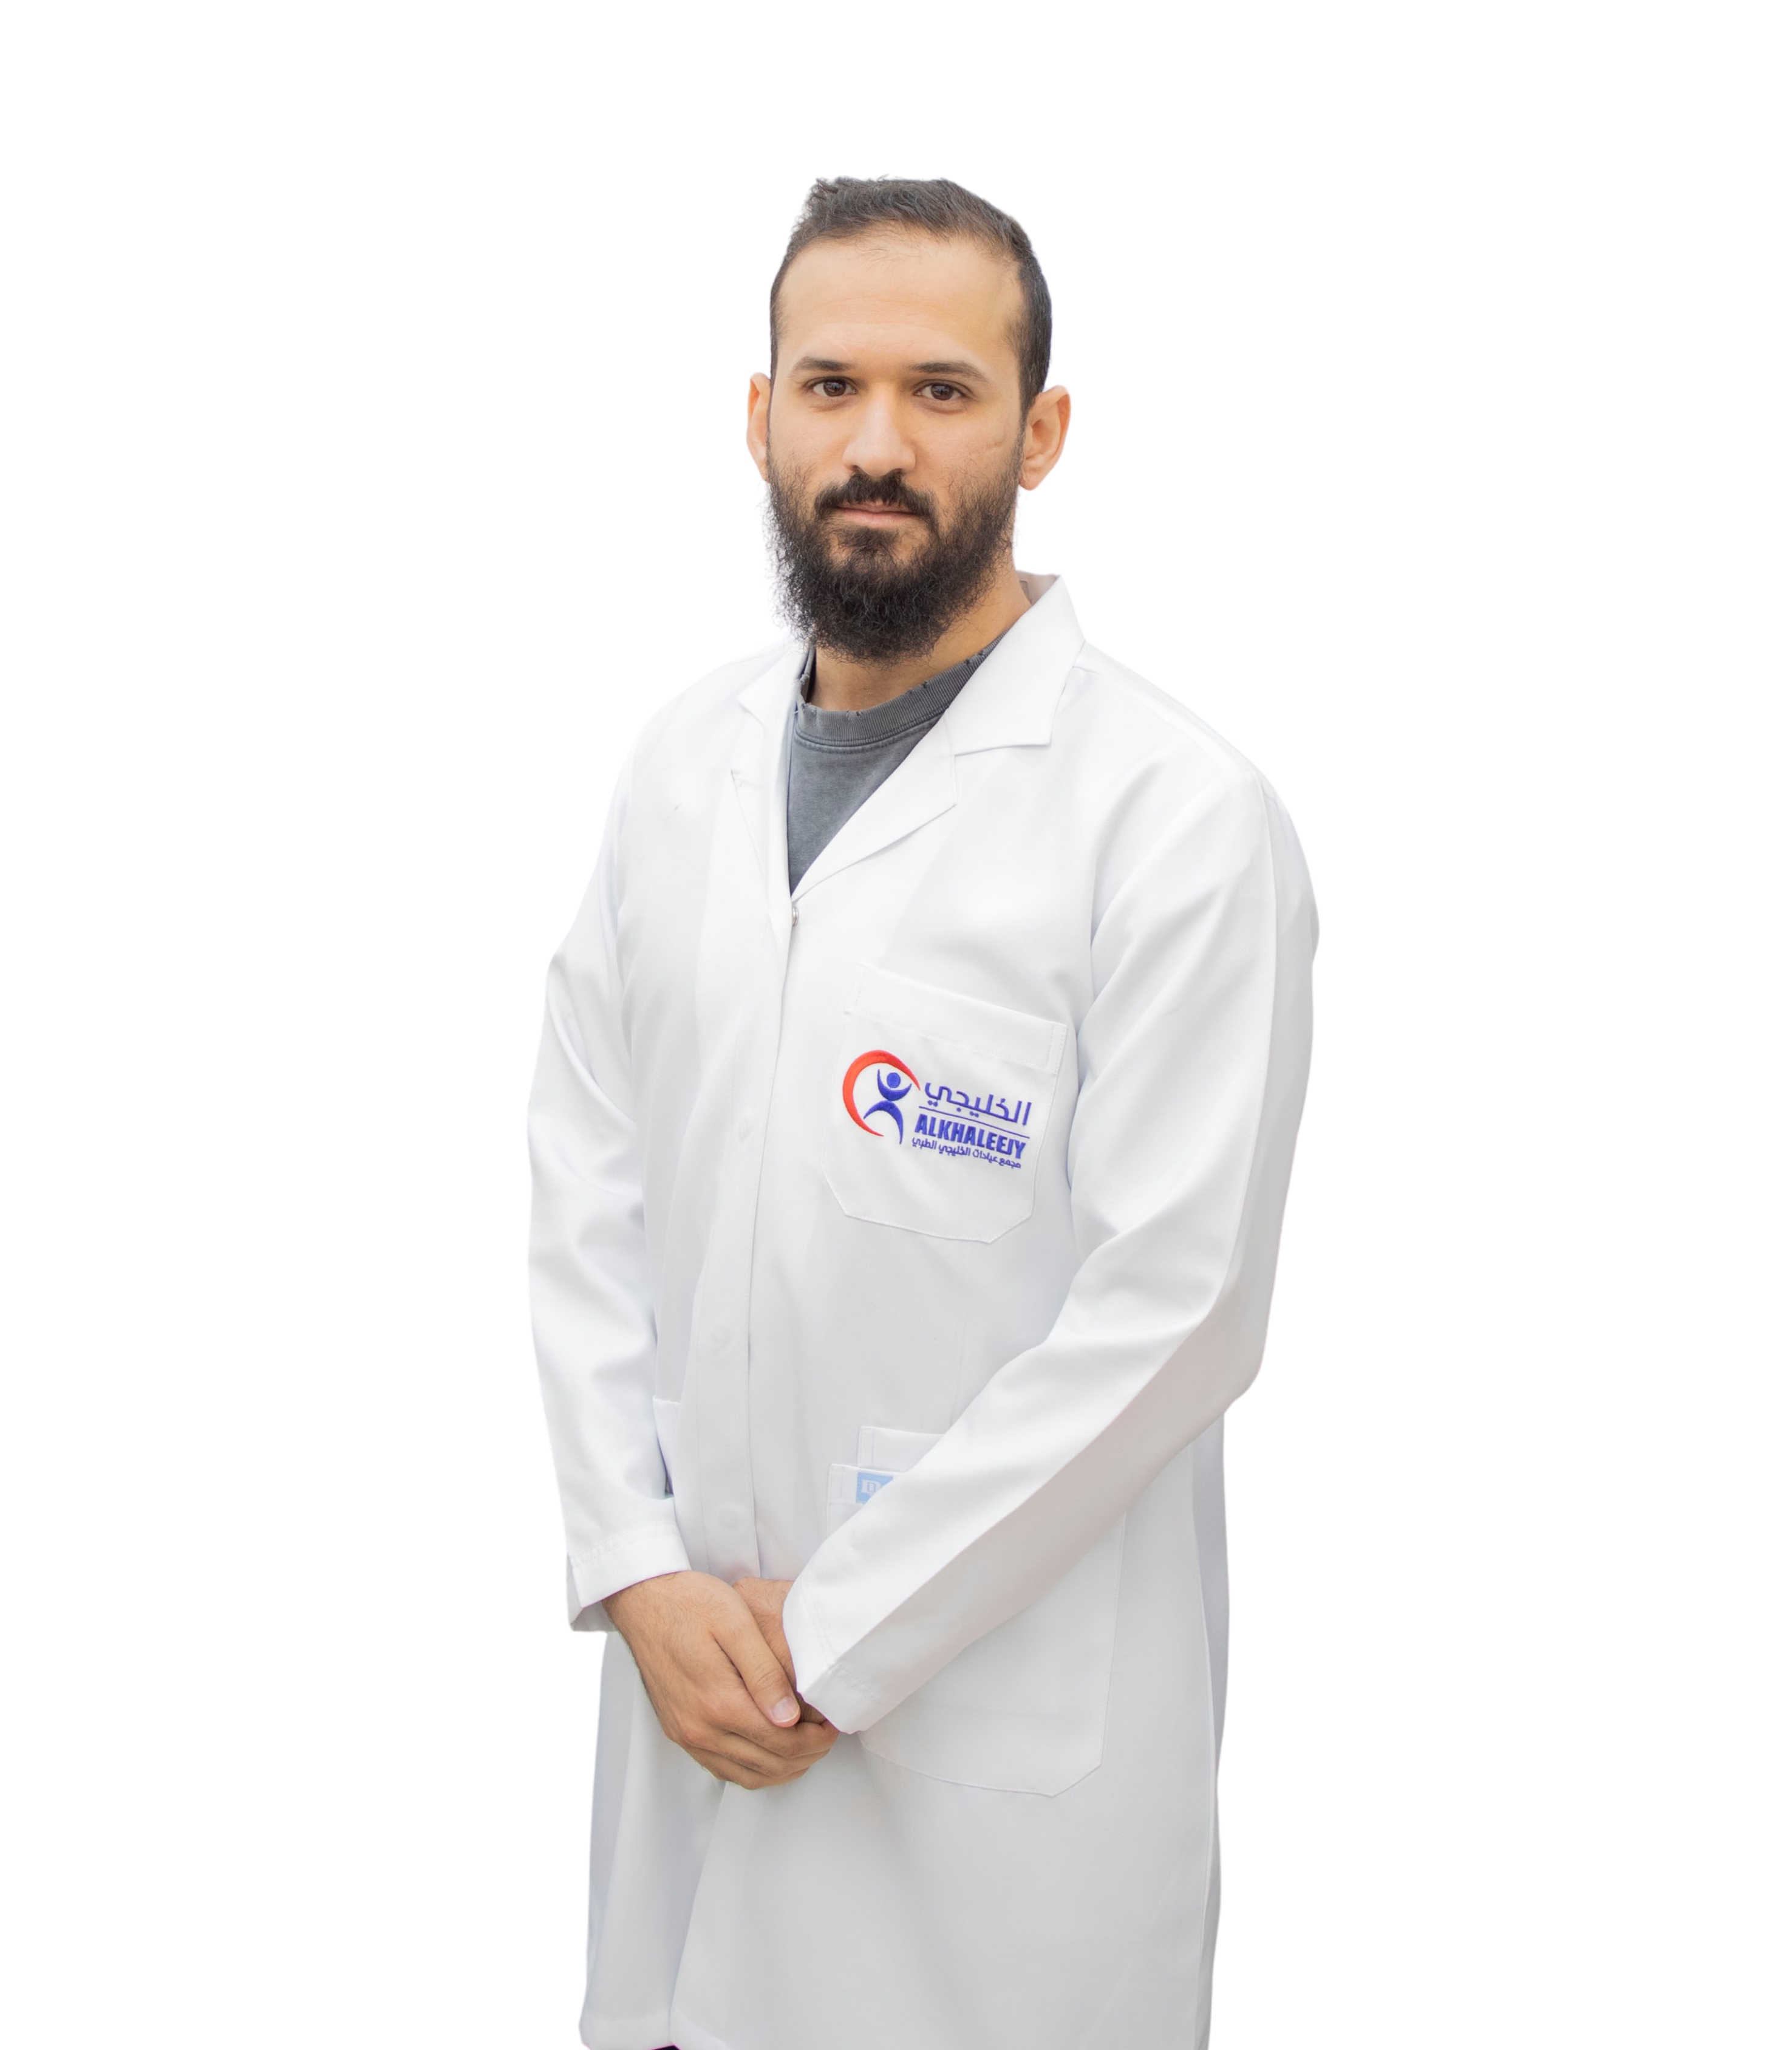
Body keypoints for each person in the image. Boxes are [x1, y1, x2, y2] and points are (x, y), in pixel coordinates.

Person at [530, 176, 1317, 2050]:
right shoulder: (679, 770)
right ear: (761, 416)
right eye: (832, 386)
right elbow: (585, 1190)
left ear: (1041, 433)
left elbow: (1178, 1313)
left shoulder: (1176, 822)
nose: (875, 445)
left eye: (943, 392)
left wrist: (827, 1634)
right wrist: (634, 1567)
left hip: (998, 1826)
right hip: (683, 1725)